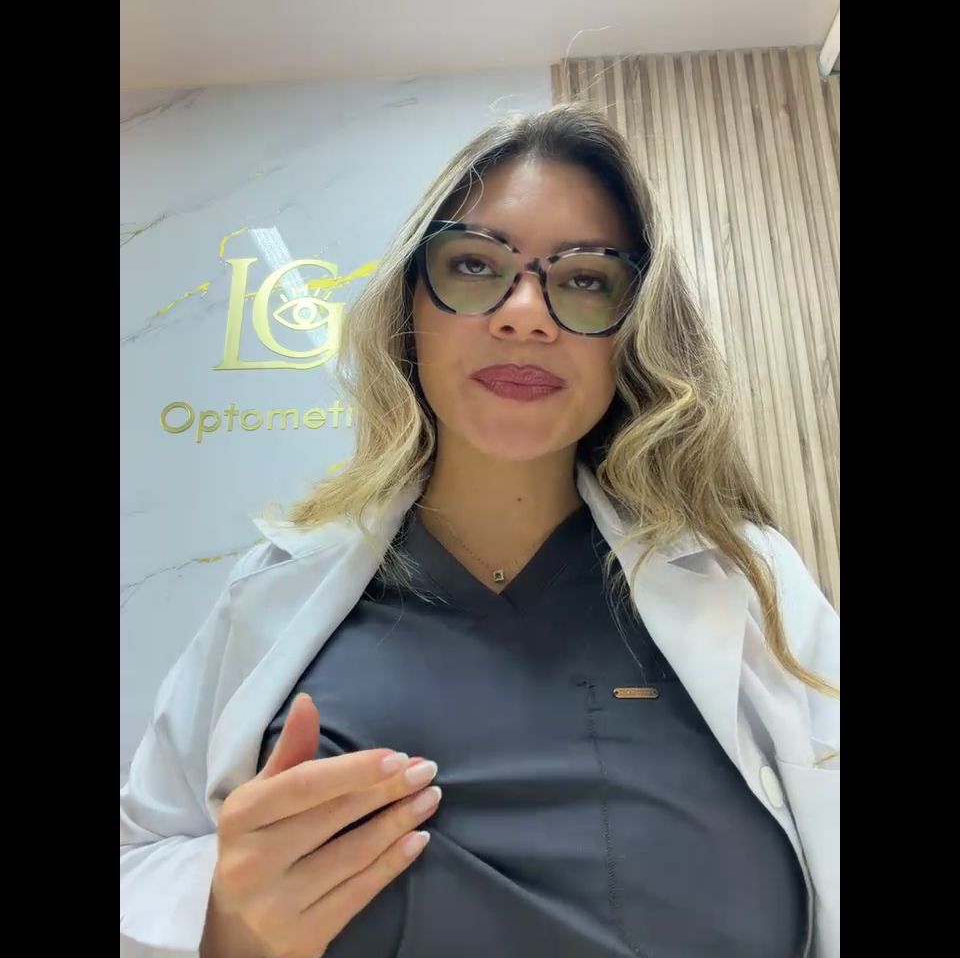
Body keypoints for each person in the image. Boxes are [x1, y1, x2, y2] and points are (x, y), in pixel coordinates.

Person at [120, 102, 839, 958]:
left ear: (634, 330)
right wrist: (223, 922)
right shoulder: (273, 586)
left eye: (585, 279)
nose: (526, 314)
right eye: (473, 265)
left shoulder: (750, 582)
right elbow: (142, 856)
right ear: (410, 311)